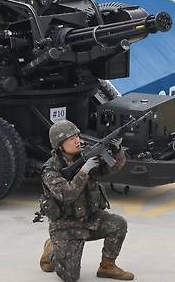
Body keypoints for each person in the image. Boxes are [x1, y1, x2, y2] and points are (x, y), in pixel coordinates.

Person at [39, 120, 134, 281]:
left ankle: (107, 266)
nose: (77, 140)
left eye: (77, 136)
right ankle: (52, 249)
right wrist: (84, 171)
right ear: (60, 144)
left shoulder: (85, 155)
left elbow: (112, 168)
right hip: (65, 227)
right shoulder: (51, 169)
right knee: (70, 276)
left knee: (118, 224)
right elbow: (66, 194)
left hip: (89, 219)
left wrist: (117, 150)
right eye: (71, 138)